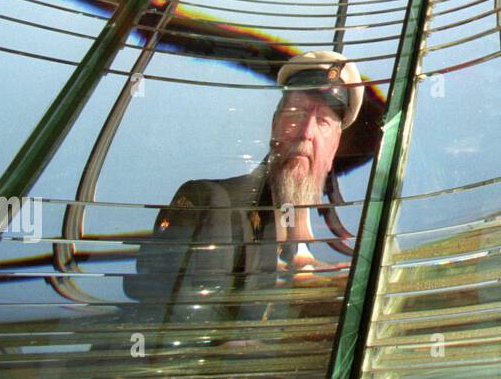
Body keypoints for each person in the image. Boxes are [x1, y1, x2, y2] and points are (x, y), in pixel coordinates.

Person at [122, 51, 364, 333]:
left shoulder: (324, 253)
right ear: (275, 125)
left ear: (334, 147)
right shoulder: (211, 204)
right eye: (297, 114)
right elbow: (174, 326)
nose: (306, 132)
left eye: (322, 122)